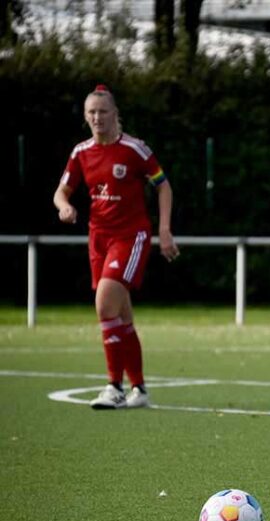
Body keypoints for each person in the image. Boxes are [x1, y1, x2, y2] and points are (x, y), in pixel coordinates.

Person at [53, 85, 179, 410]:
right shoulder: (81, 152)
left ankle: (114, 387)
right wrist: (64, 206)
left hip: (130, 236)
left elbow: (163, 186)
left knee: (104, 305)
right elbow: (61, 192)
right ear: (85, 116)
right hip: (99, 238)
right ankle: (140, 389)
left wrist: (164, 231)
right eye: (92, 112)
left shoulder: (134, 149)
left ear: (115, 114)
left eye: (103, 112)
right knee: (121, 317)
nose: (98, 117)